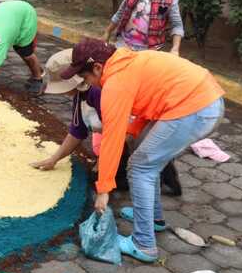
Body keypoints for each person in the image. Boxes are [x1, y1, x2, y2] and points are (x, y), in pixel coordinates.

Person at [60, 38, 224, 263]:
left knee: (140, 167)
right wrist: (134, 131)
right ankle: (153, 220)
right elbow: (150, 100)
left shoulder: (115, 83)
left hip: (195, 107)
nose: (86, 82)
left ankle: (144, 244)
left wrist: (104, 188)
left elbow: (112, 138)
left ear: (97, 67)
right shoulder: (124, 63)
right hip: (199, 99)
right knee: (144, 158)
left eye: (85, 76)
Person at [31, 49, 182, 197]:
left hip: (137, 133)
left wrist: (104, 171)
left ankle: (160, 173)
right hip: (123, 135)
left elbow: (118, 134)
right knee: (100, 175)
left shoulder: (99, 91)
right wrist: (54, 159)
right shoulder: (80, 95)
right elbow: (77, 132)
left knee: (117, 177)